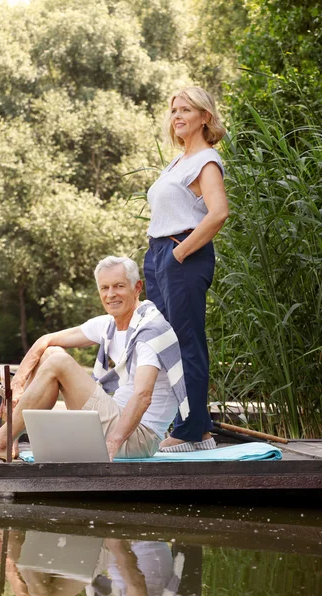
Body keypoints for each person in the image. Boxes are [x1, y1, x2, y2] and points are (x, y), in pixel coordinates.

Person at [0, 256, 187, 465]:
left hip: (137, 438)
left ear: (137, 288)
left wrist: (111, 446)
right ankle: (9, 438)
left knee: (58, 363)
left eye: (119, 286)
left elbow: (143, 396)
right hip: (116, 419)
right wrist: (18, 384)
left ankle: (0, 441)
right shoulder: (109, 325)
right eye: (104, 287)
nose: (110, 294)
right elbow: (46, 340)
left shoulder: (150, 331)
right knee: (51, 353)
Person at [144, 86, 229, 452]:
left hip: (182, 254)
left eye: (186, 110)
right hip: (159, 252)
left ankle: (194, 428)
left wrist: (180, 255)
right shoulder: (176, 162)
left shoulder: (206, 160)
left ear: (205, 117)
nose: (177, 116)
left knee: (185, 341)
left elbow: (219, 212)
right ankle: (188, 426)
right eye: (174, 110)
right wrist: (160, 258)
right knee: (164, 342)